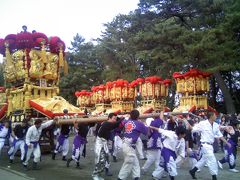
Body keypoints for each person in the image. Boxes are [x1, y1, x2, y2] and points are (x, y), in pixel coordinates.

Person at [188, 111, 231, 180]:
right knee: (212, 161)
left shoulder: (216, 125)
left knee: (203, 160)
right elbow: (193, 129)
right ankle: (214, 177)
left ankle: (193, 171)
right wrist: (186, 122)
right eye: (215, 115)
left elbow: (220, 135)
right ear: (211, 116)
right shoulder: (203, 123)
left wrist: (227, 143)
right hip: (205, 145)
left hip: (211, 146)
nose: (216, 117)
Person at [117, 109, 148, 180]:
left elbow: (120, 124)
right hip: (129, 145)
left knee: (135, 162)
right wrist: (144, 124)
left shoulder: (127, 121)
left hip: (126, 143)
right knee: (129, 162)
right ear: (138, 116)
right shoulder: (139, 123)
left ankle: (136, 177)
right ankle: (120, 178)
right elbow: (146, 132)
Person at [92, 113, 123, 180]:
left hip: (105, 142)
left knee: (106, 158)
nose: (115, 120)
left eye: (115, 119)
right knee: (99, 159)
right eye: (113, 118)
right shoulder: (107, 123)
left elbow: (115, 123)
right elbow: (116, 124)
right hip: (99, 142)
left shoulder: (107, 123)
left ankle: (99, 174)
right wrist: (122, 118)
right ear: (109, 118)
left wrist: (118, 118)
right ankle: (95, 175)